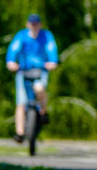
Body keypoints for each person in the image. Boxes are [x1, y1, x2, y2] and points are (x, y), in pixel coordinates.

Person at [5, 14, 59, 142]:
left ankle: (43, 111)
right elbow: (13, 49)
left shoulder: (46, 36)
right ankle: (20, 133)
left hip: (40, 70)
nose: (34, 26)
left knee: (39, 89)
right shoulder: (22, 36)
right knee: (21, 102)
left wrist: (53, 61)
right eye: (32, 24)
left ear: (40, 25)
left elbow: (51, 49)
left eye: (36, 24)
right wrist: (11, 62)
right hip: (23, 71)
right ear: (27, 24)